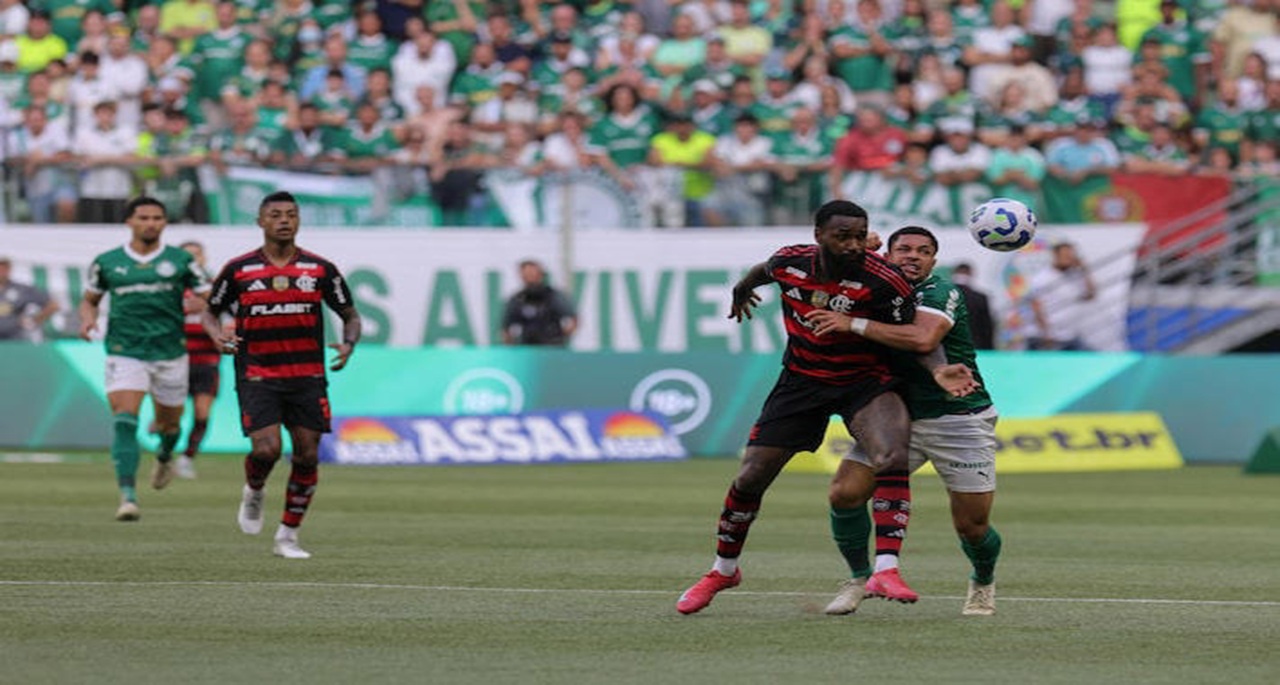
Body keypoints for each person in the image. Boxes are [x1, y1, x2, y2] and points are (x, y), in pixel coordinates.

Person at [674, 200, 974, 615]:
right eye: (842, 236)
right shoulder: (789, 262)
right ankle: (723, 570)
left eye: (859, 235)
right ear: (819, 235)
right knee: (750, 478)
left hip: (864, 383)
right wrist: (742, 290)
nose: (853, 245)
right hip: (801, 382)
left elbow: (914, 335)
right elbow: (762, 272)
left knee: (892, 454)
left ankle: (886, 568)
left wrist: (939, 369)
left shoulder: (885, 282)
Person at [808, 226, 1002, 617]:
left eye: (924, 251)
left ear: (934, 261)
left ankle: (983, 579)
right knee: (844, 492)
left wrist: (854, 324)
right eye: (904, 249)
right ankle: (859, 579)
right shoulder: (873, 282)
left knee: (972, 526)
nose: (913, 256)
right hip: (896, 417)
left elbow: (923, 339)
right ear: (889, 255)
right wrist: (857, 247)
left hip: (958, 417)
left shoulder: (940, 292)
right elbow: (824, 260)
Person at [202, 191, 361, 559]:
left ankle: (288, 535)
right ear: (261, 222)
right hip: (258, 372)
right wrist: (217, 335)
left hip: (307, 375)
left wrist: (349, 344)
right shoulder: (239, 270)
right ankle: (254, 487)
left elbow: (350, 314)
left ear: (299, 220)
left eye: (291, 214)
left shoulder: (320, 270)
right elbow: (210, 313)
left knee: (306, 455)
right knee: (267, 449)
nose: (284, 220)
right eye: (275, 215)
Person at [79, 196, 210, 521]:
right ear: (130, 222)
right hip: (126, 351)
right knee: (125, 419)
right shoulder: (107, 262)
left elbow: (212, 297)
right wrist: (87, 318)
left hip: (170, 353)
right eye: (144, 217)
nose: (150, 223)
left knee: (169, 425)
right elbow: (90, 300)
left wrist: (206, 307)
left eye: (157, 218)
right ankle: (128, 497)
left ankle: (165, 456)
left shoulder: (181, 261)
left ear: (165, 223)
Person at [176, 240, 218, 479]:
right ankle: (165, 450)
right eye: (187, 256)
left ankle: (186, 457)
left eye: (196, 255)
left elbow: (231, 321)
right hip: (176, 361)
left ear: (204, 259)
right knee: (172, 416)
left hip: (206, 361)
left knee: (202, 413)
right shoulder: (169, 289)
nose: (192, 260)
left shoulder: (215, 289)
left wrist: (208, 306)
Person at [1029, 241, 1096, 350]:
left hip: (1070, 334)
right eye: (1066, 255)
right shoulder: (1042, 278)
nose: (1070, 258)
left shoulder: (1075, 275)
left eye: (1071, 255)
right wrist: (1046, 334)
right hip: (1051, 337)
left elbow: (1090, 295)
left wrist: (1084, 271)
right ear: (1055, 256)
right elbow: (1036, 308)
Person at [500, 260, 578, 346]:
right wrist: (512, 345)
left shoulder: (553, 296)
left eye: (532, 273)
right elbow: (506, 327)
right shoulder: (517, 299)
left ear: (540, 274)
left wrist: (561, 337)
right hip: (528, 347)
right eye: (526, 274)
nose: (529, 276)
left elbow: (573, 319)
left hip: (552, 347)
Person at [0, 256, 59, 341]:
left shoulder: (20, 289)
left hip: (14, 339)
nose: (1, 272)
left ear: (9, 270)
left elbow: (53, 305)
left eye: (4, 269)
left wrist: (34, 320)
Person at [950, 263, 995, 350]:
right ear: (971, 274)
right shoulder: (980, 298)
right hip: (974, 347)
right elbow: (986, 328)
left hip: (947, 348)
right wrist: (989, 348)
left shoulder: (943, 296)